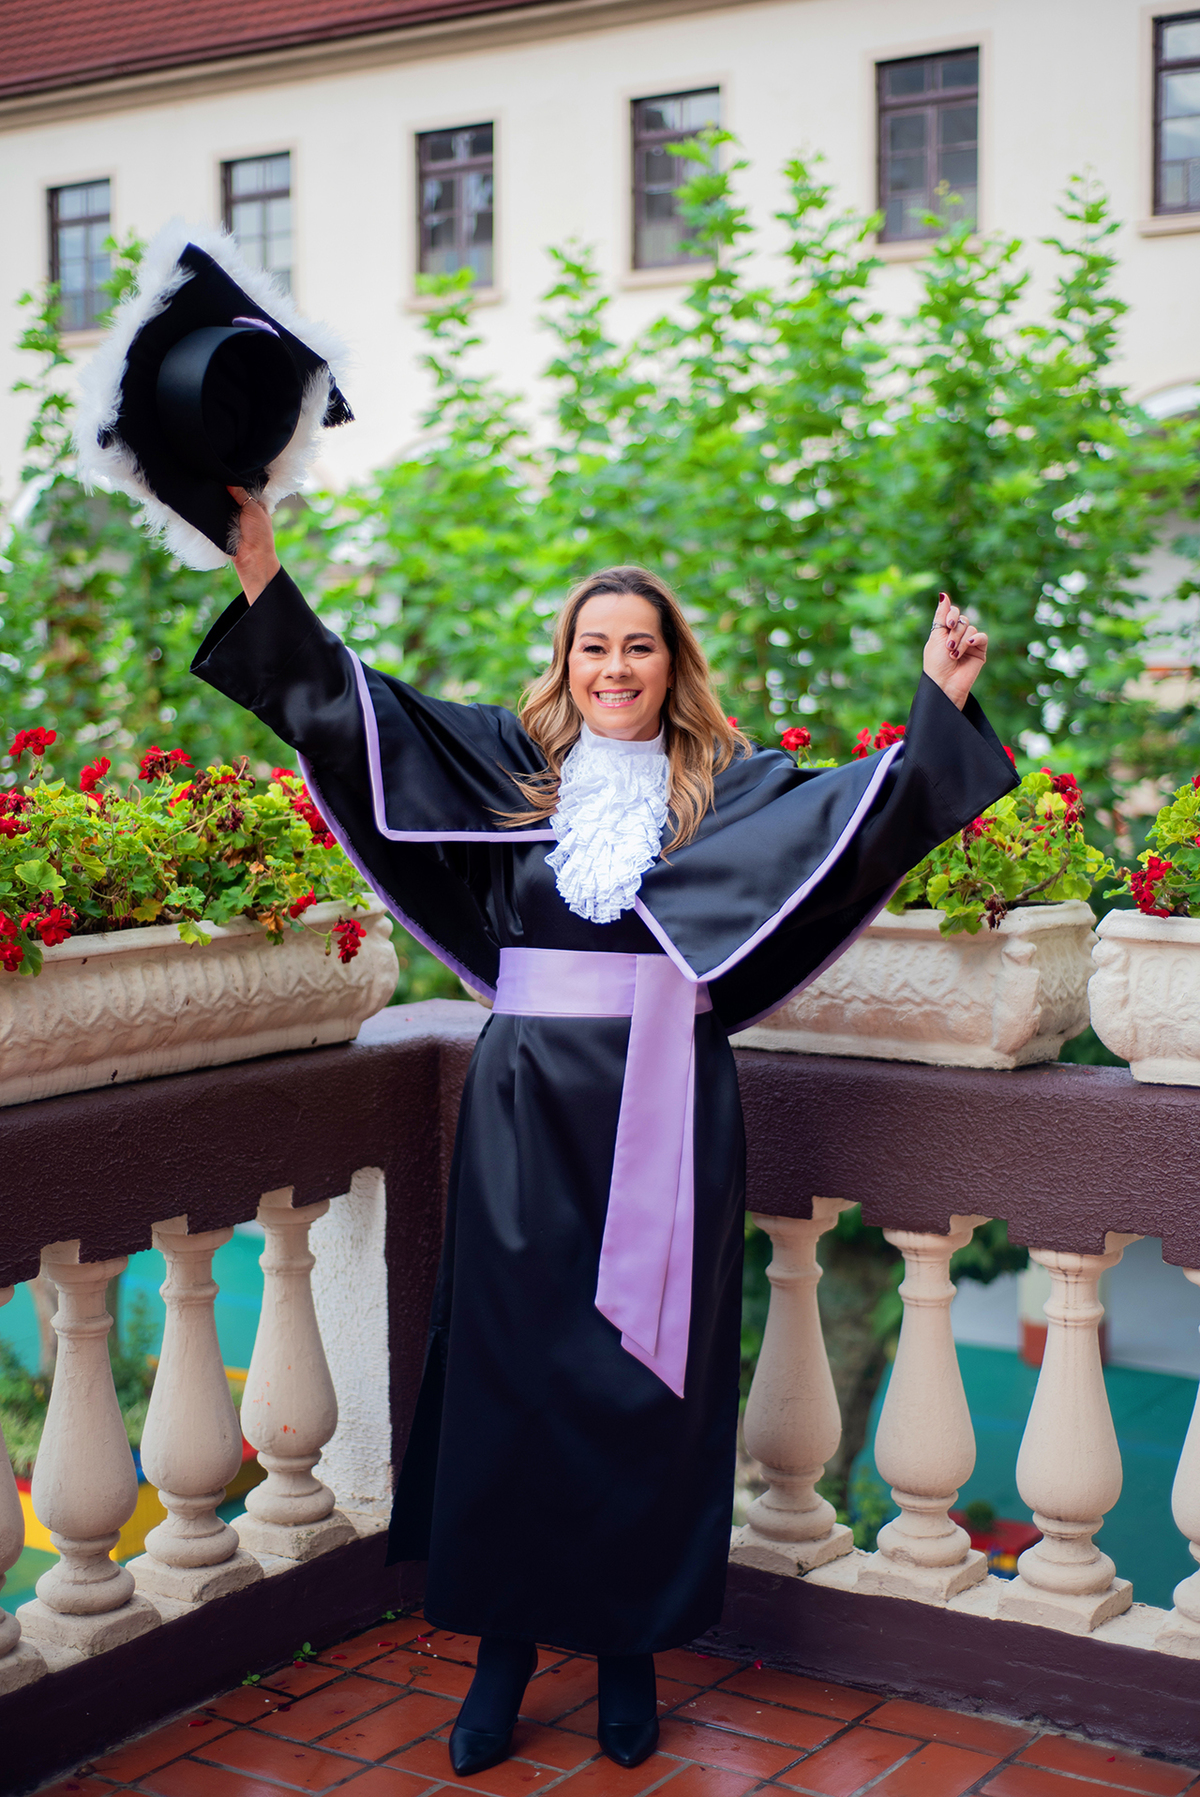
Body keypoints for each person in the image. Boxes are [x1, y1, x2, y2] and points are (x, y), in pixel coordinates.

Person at [192, 485, 1015, 1778]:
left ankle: (627, 1652)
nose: (614, 666)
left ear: (670, 664)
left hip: (667, 1103)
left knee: (647, 1389)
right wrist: (262, 578)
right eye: (593, 645)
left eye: (638, 644)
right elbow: (358, 717)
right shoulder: (506, 776)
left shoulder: (725, 793)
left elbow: (857, 830)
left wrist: (940, 702)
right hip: (524, 1114)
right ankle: (504, 1657)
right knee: (513, 1382)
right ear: (565, 664)